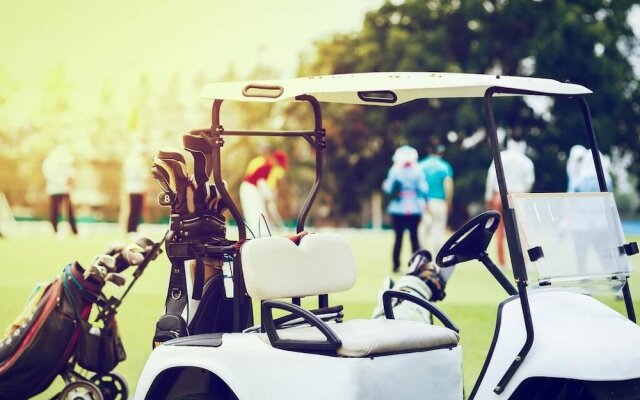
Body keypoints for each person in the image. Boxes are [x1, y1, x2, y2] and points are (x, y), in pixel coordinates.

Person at [484, 132, 535, 267]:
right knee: (520, 230)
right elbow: (529, 182)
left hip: (499, 195)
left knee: (498, 229)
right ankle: (523, 261)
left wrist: (488, 197)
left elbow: (491, 178)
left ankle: (502, 262)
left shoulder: (501, 156)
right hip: (517, 196)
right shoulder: (526, 161)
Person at [382, 145, 429, 273]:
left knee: (398, 238)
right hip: (414, 208)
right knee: (414, 238)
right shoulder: (417, 171)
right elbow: (424, 189)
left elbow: (389, 188)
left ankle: (396, 265)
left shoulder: (395, 171)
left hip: (398, 208)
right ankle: (416, 265)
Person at [239, 146, 289, 237]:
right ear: (275, 160)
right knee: (255, 212)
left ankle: (262, 233)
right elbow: (260, 181)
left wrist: (269, 196)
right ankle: (258, 234)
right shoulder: (267, 166)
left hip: (253, 189)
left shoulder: (269, 166)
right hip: (250, 189)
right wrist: (269, 196)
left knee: (259, 212)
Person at [418, 137, 454, 256]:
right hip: (439, 202)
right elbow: (448, 187)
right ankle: (437, 258)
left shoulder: (421, 165)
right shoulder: (444, 166)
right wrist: (449, 203)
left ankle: (423, 256)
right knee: (437, 231)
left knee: (423, 229)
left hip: (423, 202)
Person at [42, 145, 78, 236]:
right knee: (55, 211)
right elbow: (49, 175)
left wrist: (69, 180)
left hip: (65, 190)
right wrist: (63, 181)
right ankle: (55, 230)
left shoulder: (65, 162)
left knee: (69, 211)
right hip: (54, 190)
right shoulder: (49, 162)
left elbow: (71, 173)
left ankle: (74, 231)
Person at [122, 143, 149, 235]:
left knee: (136, 210)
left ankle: (133, 228)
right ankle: (131, 229)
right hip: (135, 189)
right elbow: (140, 175)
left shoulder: (133, 160)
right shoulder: (135, 161)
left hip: (137, 188)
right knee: (134, 210)